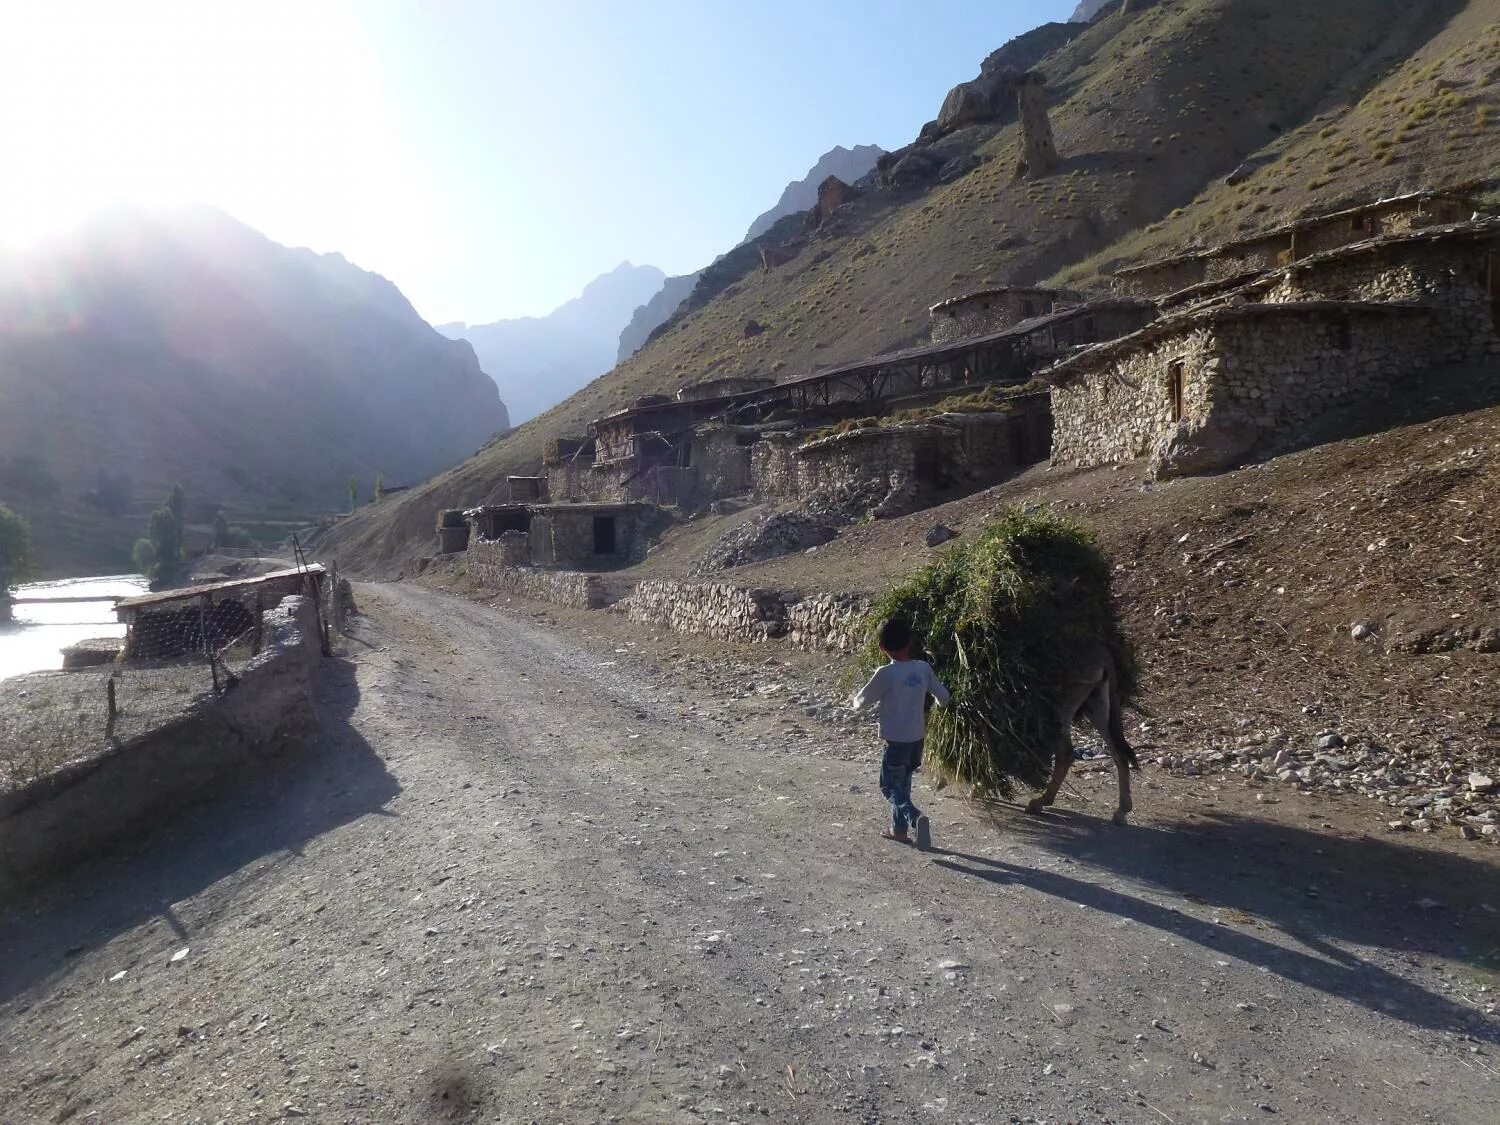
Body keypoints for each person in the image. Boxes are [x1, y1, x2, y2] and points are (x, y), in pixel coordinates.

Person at [850, 617, 951, 850]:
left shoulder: (885, 673)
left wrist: (853, 702)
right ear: (910, 643)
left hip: (895, 742)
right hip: (917, 740)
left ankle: (915, 817)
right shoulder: (923, 668)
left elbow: (862, 701)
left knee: (889, 787)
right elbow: (943, 696)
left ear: (881, 648)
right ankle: (899, 831)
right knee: (903, 783)